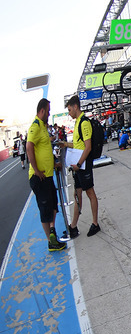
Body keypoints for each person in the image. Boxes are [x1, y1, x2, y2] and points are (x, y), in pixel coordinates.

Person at [26, 98, 66, 251]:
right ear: (41, 110)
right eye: (48, 111)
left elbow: (44, 150)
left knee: (53, 206)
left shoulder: (43, 126)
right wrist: (36, 170)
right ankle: (50, 242)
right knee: (45, 209)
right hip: (39, 177)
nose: (49, 114)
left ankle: (52, 233)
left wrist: (54, 164)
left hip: (48, 176)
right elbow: (29, 146)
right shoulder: (35, 126)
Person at [63, 95, 101, 238]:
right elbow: (79, 145)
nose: (69, 112)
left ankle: (95, 224)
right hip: (78, 166)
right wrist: (65, 144)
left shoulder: (84, 123)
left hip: (83, 165)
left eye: (69, 109)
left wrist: (79, 164)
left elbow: (88, 147)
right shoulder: (78, 122)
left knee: (90, 193)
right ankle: (73, 226)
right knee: (77, 195)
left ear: (75, 107)